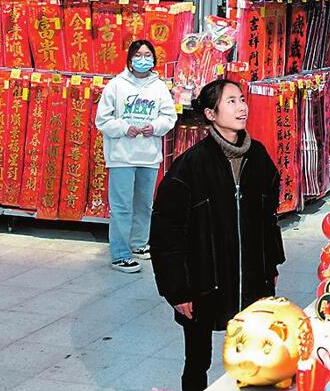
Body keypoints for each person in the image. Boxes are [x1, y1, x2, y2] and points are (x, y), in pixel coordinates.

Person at [149, 78, 285, 391]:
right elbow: (166, 233)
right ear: (211, 114)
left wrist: (271, 265)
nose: (241, 107)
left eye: (242, 99)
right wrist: (177, 291)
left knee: (254, 355)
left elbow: (269, 219)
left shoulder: (259, 157)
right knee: (198, 360)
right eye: (231, 101)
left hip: (252, 278)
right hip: (203, 281)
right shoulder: (190, 166)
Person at [95, 39, 177, 273]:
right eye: (138, 55)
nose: (143, 59)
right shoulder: (115, 85)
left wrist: (155, 127)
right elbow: (102, 120)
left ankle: (139, 244)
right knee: (121, 207)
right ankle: (120, 255)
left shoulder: (159, 87)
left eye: (147, 55)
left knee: (144, 205)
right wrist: (124, 128)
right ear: (130, 59)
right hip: (121, 156)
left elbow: (169, 117)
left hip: (148, 156)